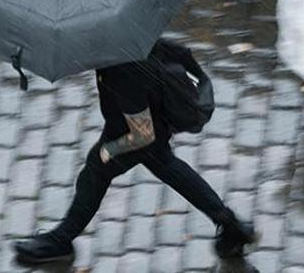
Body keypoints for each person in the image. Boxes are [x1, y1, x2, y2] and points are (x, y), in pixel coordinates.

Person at [14, 43, 256, 264]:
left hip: (134, 132)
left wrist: (109, 150)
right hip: (146, 120)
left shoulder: (123, 73)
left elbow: (142, 135)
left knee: (95, 172)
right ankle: (231, 226)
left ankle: (61, 241)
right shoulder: (126, 43)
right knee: (167, 166)